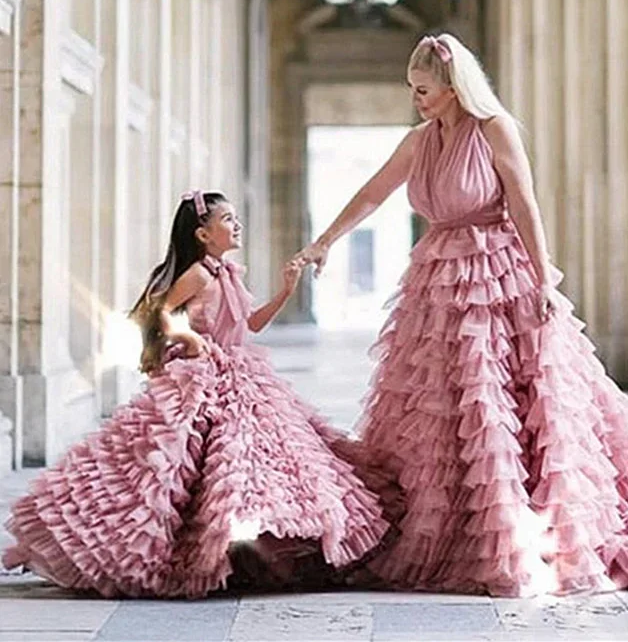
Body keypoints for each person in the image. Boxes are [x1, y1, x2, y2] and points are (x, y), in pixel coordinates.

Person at [293, 33, 628, 597]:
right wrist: (325, 241)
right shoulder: (419, 141)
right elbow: (372, 193)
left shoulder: (494, 130)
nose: (417, 99)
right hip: (436, 282)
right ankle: (455, 521)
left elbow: (525, 205)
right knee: (444, 406)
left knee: (502, 401)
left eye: (424, 90)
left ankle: (515, 524)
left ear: (454, 88)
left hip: (497, 276)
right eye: (412, 90)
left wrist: (543, 279)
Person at [3, 190, 396, 598]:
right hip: (202, 376)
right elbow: (157, 311)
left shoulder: (229, 273)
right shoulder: (199, 275)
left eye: (236, 218)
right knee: (186, 463)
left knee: (267, 462)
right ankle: (189, 545)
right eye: (227, 219)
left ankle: (253, 546)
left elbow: (253, 325)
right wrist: (188, 337)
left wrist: (285, 289)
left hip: (242, 373)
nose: (236, 225)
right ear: (204, 235)